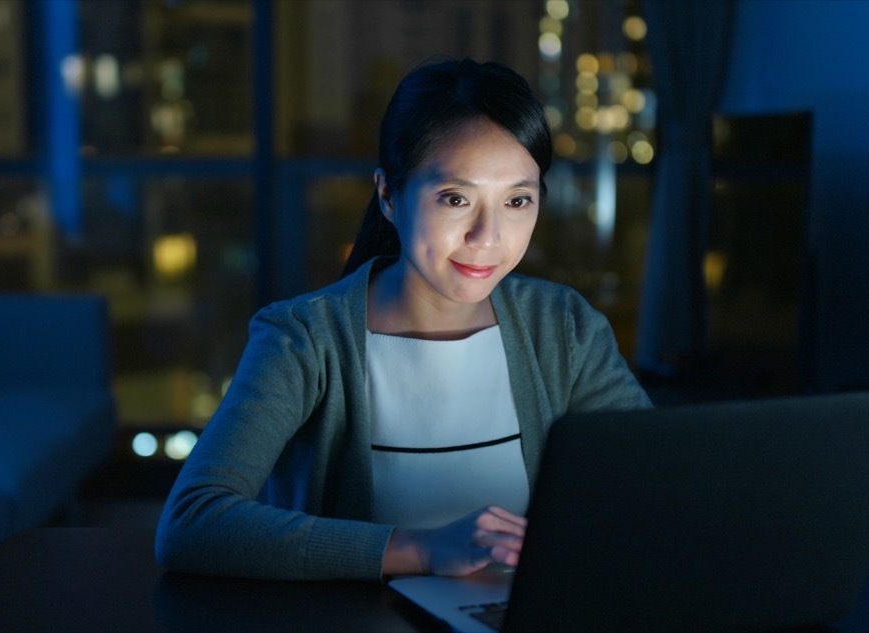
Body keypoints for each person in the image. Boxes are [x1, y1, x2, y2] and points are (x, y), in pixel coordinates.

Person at [154, 57, 651, 582]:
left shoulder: (563, 326)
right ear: (389, 196)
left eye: (517, 200)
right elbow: (192, 522)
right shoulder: (305, 339)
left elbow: (660, 473)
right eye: (455, 198)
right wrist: (420, 551)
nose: (489, 237)